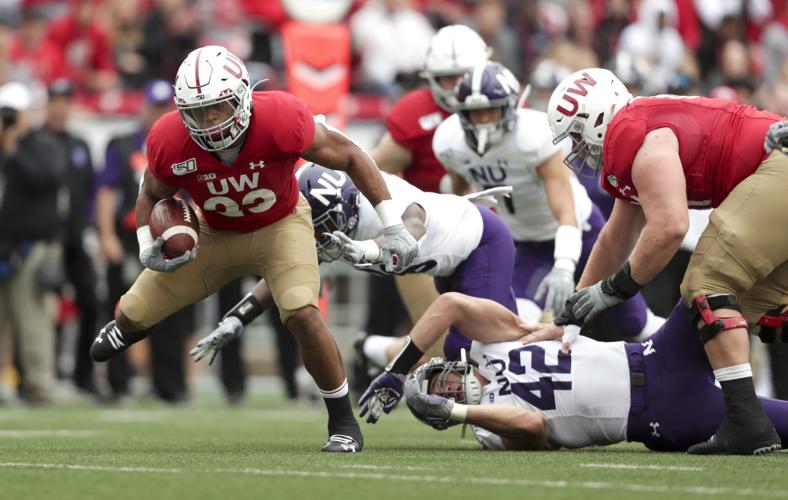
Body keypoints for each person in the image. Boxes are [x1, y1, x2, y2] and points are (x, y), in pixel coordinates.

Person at [88, 45, 419, 453]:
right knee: (134, 312)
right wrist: (145, 245)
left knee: (302, 312)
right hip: (214, 232)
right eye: (198, 112)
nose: (209, 122)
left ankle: (343, 422)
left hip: (281, 225)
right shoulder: (169, 138)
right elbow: (150, 192)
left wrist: (393, 226)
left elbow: (351, 155)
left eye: (218, 108)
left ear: (243, 96)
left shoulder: (280, 117)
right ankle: (125, 327)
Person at [543, 67, 788, 455]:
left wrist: (612, 291)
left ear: (599, 118)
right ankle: (748, 419)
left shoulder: (640, 138)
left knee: (706, 283)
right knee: (764, 307)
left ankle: (746, 421)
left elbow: (670, 228)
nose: (577, 148)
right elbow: (616, 235)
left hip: (780, 166)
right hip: (777, 169)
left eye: (577, 134)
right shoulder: (640, 129)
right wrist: (576, 309)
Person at [190, 163, 519, 391]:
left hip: (481, 244)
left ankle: (517, 409)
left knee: (470, 350)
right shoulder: (331, 219)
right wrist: (237, 317)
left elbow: (411, 229)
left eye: (321, 225)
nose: (317, 235)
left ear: (343, 207)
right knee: (485, 343)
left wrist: (365, 250)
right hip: (447, 264)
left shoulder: (384, 202)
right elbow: (282, 272)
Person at [434, 61, 661, 339]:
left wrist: (564, 267)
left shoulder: (532, 138)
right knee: (517, 320)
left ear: (509, 106)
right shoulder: (449, 142)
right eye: (475, 113)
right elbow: (462, 195)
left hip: (584, 232)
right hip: (527, 243)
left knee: (636, 324)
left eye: (491, 109)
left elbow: (566, 210)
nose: (484, 121)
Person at [397, 292, 788, 452]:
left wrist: (397, 369)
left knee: (712, 287)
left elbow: (451, 303)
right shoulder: (488, 428)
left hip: (653, 354)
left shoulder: (490, 346)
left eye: (440, 382)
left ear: (449, 365)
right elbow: (533, 427)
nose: (448, 391)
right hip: (663, 413)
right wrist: (460, 412)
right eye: (440, 398)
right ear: (442, 415)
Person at [362, 24, 490, 365]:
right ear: (430, 76)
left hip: (489, 231)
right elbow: (371, 169)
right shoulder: (415, 113)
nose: (457, 86)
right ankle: (369, 356)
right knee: (437, 339)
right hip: (425, 232)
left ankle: (372, 350)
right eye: (448, 77)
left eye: (464, 76)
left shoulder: (504, 103)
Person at [0, 82, 67, 403]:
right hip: (2, 245)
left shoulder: (42, 145)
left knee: (32, 319)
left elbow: (46, 177)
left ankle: (39, 385)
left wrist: (14, 147)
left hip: (31, 246)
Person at [44, 79, 100, 397]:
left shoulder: (79, 145)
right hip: (46, 237)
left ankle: (83, 374)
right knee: (44, 308)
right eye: (55, 99)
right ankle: (42, 373)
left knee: (90, 302)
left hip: (75, 237)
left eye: (65, 99)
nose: (60, 105)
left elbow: (91, 191)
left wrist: (88, 227)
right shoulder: (34, 140)